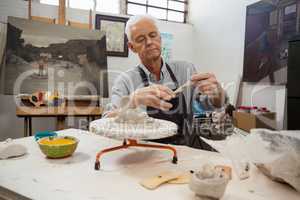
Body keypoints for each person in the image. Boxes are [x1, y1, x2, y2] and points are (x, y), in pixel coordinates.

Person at [105, 14, 227, 147]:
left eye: (153, 35)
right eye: (141, 39)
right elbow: (105, 123)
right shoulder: (125, 81)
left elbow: (211, 107)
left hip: (186, 150)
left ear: (160, 38)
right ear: (131, 47)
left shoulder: (186, 70)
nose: (149, 42)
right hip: (145, 153)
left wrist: (217, 93)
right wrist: (132, 101)